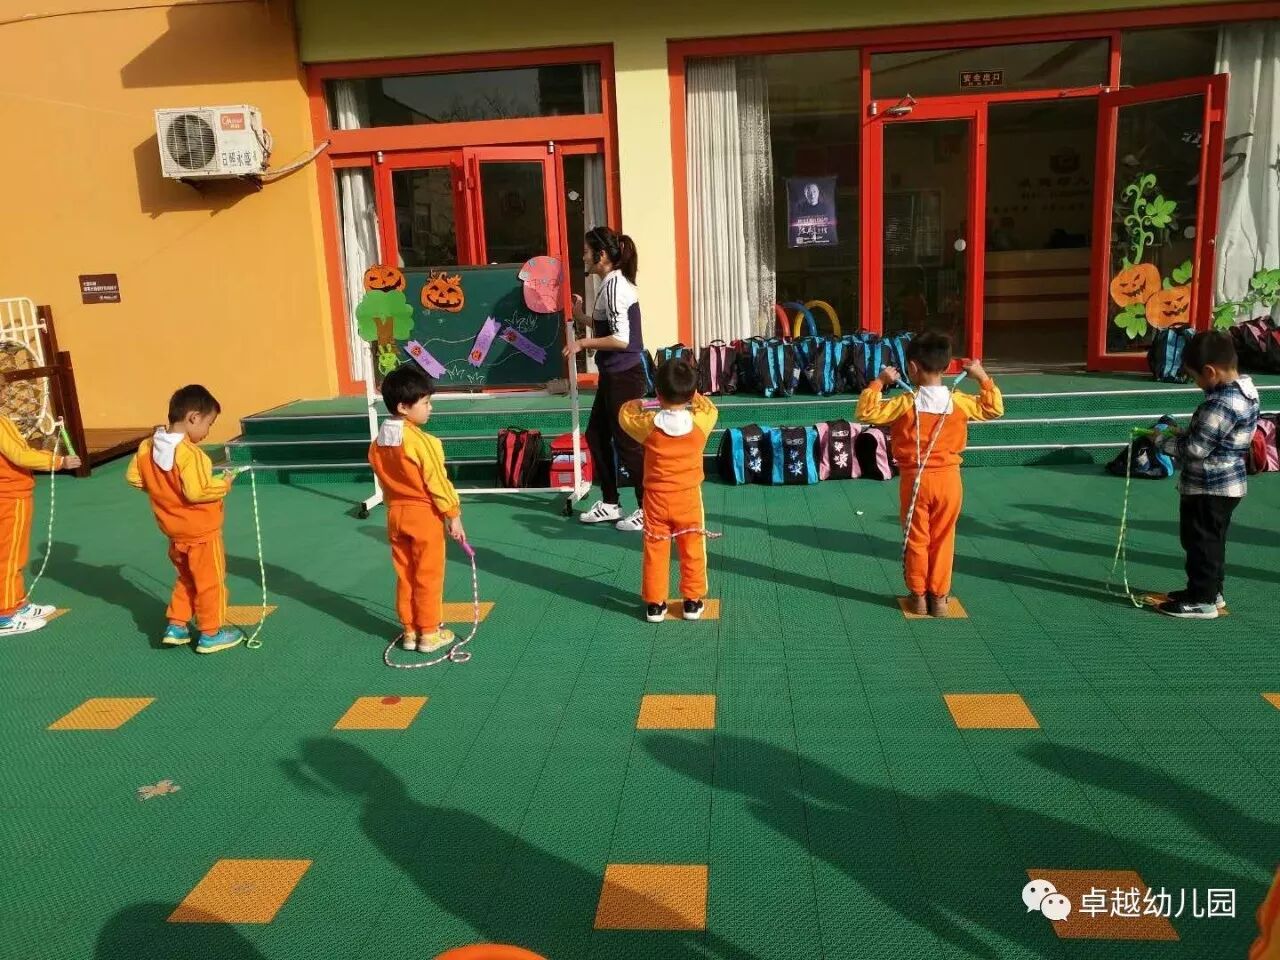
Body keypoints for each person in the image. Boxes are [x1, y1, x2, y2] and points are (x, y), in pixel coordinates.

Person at [855, 333, 1003, 616]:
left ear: (912, 368)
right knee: (944, 538)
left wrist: (880, 381)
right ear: (946, 367)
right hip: (949, 481)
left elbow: (865, 412)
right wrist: (982, 377)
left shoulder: (905, 403)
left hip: (915, 480)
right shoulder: (959, 401)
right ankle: (940, 598)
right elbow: (994, 408)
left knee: (917, 538)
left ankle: (919, 596)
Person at [1151, 330, 1258, 619]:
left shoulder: (1221, 404)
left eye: (1195, 377)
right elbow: (1214, 436)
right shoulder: (1245, 392)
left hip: (1209, 486)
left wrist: (1160, 441)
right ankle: (1210, 591)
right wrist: (1183, 432)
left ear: (1210, 371)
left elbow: (1195, 448)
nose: (1196, 383)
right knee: (1212, 541)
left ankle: (1203, 600)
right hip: (1228, 484)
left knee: (1200, 543)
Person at [126, 385, 241, 653]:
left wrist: (161, 490)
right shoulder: (191, 454)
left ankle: (177, 625)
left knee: (186, 578)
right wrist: (224, 484)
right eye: (209, 424)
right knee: (210, 582)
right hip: (202, 532)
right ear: (193, 417)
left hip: (174, 532)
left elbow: (133, 477)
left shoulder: (147, 446)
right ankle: (211, 632)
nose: (207, 431)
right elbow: (197, 491)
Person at [368, 366, 465, 652]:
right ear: (403, 407)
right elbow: (438, 482)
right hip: (423, 516)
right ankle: (430, 632)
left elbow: (383, 478)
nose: (430, 408)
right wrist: (453, 515)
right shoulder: (423, 442)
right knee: (428, 575)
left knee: (406, 574)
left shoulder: (378, 443)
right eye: (425, 402)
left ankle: (410, 630)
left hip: (395, 514)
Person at [618, 359, 718, 622]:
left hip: (656, 499)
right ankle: (692, 602)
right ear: (690, 393)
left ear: (658, 393)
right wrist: (693, 394)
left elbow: (624, 414)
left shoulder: (649, 425)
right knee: (693, 549)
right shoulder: (701, 423)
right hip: (688, 497)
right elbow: (709, 408)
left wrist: (641, 403)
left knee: (655, 550)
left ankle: (655, 604)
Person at [564, 226, 647, 532]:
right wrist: (581, 316)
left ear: (600, 256)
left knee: (628, 445)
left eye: (587, 251)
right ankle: (611, 503)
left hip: (625, 376)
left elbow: (622, 340)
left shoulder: (616, 287)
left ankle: (649, 509)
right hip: (614, 375)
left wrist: (582, 343)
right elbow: (608, 327)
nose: (583, 256)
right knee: (597, 436)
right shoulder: (609, 284)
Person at [0, 389, 81, 636]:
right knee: (9, 556)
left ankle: (16, 602)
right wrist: (58, 461)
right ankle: (4, 614)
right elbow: (20, 454)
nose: (4, 394)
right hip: (10, 495)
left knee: (13, 553)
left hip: (10, 494)